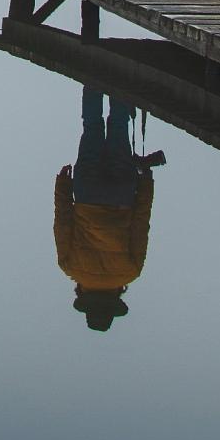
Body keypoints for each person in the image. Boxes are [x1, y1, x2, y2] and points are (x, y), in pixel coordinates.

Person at [53, 87, 160, 332]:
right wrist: (62, 184)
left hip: (121, 194)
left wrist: (146, 183)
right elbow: (62, 222)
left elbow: (141, 223)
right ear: (83, 297)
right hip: (87, 192)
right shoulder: (69, 266)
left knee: (119, 124)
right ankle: (92, 75)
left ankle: (117, 77)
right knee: (92, 126)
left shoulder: (130, 272)